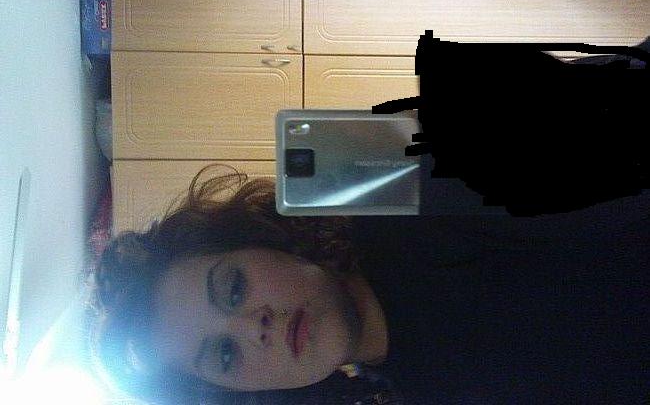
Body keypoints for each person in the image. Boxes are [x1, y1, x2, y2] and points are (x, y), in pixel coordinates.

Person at [89, 163, 650, 404]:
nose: (253, 328)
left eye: (233, 290)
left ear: (260, 240)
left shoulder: (418, 196)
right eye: (225, 354)